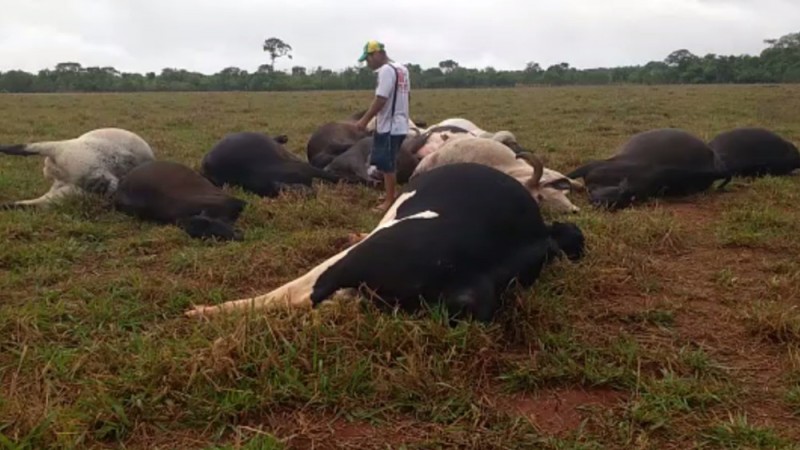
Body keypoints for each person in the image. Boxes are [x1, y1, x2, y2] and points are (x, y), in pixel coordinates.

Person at [354, 40, 411, 213]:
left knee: (387, 164)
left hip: (390, 125)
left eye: (369, 58)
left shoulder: (386, 70)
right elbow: (407, 96)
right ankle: (390, 193)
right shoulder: (402, 69)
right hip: (401, 124)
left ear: (378, 54)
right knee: (389, 160)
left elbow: (381, 98)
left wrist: (364, 120)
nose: (368, 63)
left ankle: (389, 201)